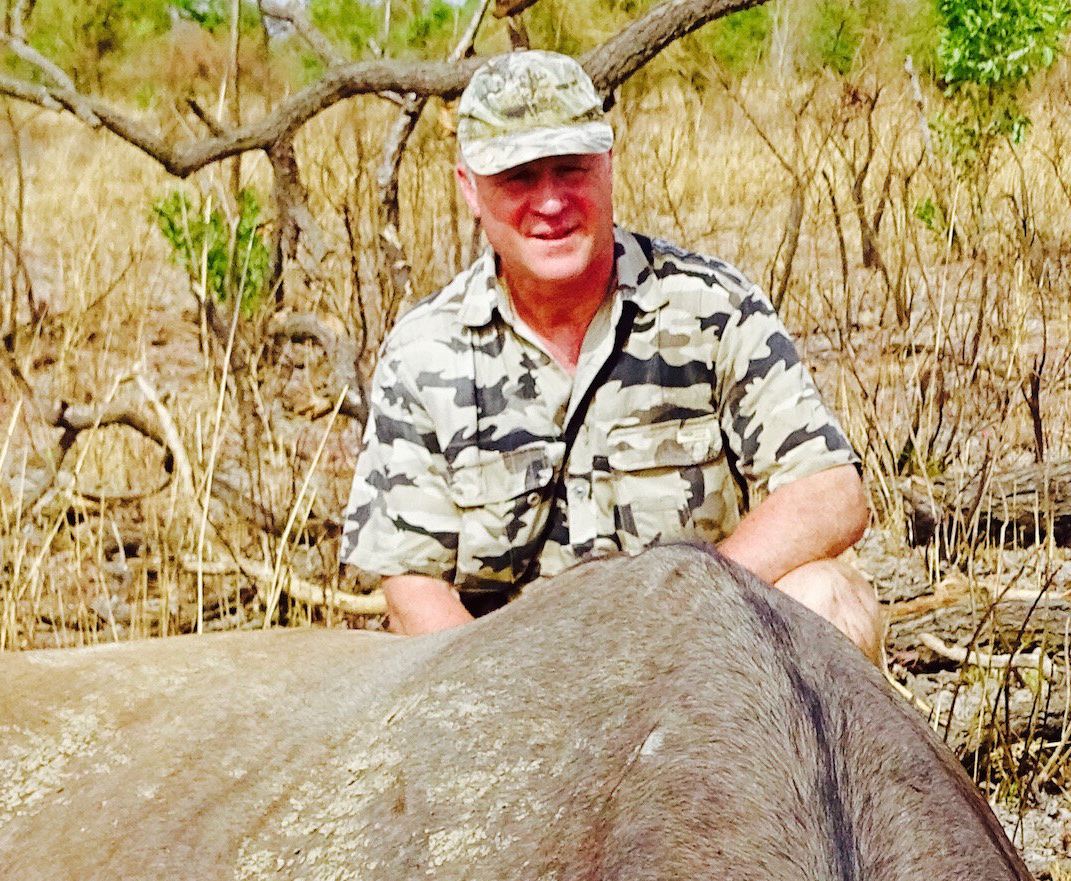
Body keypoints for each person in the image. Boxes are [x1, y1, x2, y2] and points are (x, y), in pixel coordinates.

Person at [341, 49, 879, 654]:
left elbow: (831, 492)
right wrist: (503, 709)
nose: (550, 203)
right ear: (469, 188)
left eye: (571, 169)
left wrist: (689, 609)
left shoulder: (710, 306)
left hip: (701, 660)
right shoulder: (422, 354)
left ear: (608, 164)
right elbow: (412, 583)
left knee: (829, 596)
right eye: (518, 176)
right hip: (514, 693)